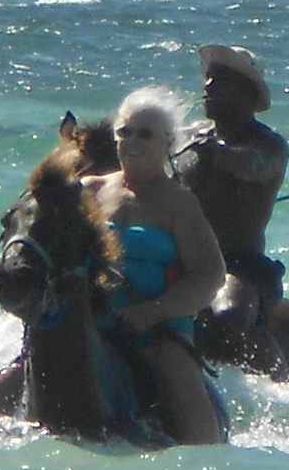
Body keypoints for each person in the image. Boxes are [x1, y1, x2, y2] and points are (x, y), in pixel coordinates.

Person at [82, 85, 227, 444]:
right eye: (124, 132)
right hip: (93, 323)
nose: (131, 142)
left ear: (167, 142)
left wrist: (152, 313)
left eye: (144, 134)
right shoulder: (89, 190)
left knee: (182, 388)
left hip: (159, 331)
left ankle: (208, 461)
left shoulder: (181, 204)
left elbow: (210, 275)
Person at [172, 45, 289, 378]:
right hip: (177, 255)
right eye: (208, 78)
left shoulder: (269, 145)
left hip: (238, 264)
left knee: (229, 317)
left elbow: (254, 166)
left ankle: (277, 380)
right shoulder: (188, 137)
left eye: (221, 80)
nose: (207, 87)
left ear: (246, 93)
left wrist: (217, 152)